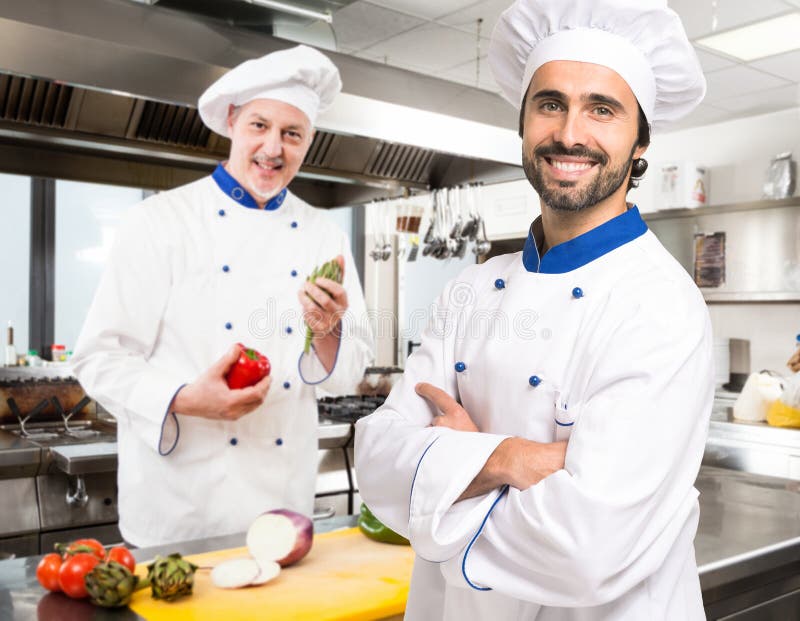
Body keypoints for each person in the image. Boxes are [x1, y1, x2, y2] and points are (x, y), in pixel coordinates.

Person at [355, 1, 713, 618]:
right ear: (523, 121)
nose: (570, 133)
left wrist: (442, 478)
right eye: (550, 103)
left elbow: (583, 551)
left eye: (603, 108)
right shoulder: (470, 288)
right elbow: (377, 461)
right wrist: (509, 459)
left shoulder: (661, 306)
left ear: (640, 138)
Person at [71, 45, 373, 547]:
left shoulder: (325, 237)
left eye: (292, 134)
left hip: (280, 509)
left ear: (308, 142)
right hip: (179, 506)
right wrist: (187, 399)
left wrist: (328, 333)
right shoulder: (160, 222)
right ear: (232, 121)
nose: (273, 148)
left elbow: (347, 374)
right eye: (260, 125)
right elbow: (98, 358)